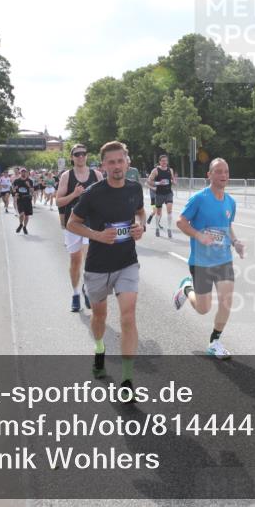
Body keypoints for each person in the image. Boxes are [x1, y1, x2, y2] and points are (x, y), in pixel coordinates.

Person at [66, 141, 145, 393]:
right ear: (103, 165)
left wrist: (140, 227)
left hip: (127, 263)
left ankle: (127, 379)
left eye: (120, 160)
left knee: (128, 316)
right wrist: (97, 236)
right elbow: (72, 223)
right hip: (98, 266)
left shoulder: (135, 188)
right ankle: (99, 348)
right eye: (111, 162)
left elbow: (141, 213)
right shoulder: (93, 193)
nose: (116, 166)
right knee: (100, 316)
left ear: (127, 162)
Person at [172, 158, 245, 359]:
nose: (223, 176)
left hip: (223, 259)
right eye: (218, 172)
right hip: (201, 261)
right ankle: (187, 289)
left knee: (226, 301)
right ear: (209, 175)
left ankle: (215, 341)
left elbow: (227, 226)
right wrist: (198, 235)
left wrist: (236, 242)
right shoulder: (199, 199)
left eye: (226, 172)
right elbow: (181, 221)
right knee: (203, 309)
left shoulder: (230, 201)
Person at [56, 145, 102, 311]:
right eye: (77, 154)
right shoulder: (66, 176)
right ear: (72, 157)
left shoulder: (96, 175)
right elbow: (58, 201)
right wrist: (74, 195)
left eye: (83, 154)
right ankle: (76, 293)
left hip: (92, 223)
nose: (81, 156)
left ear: (86, 156)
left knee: (89, 257)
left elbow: (106, 198)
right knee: (75, 260)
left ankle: (87, 289)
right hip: (73, 223)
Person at [146, 154, 176, 238]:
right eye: (162, 161)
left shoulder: (170, 170)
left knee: (169, 210)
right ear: (160, 162)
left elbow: (172, 179)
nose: (164, 162)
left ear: (167, 161)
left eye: (166, 161)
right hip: (159, 194)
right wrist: (159, 183)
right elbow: (149, 181)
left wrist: (174, 182)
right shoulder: (155, 170)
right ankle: (157, 228)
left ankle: (169, 229)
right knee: (158, 212)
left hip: (168, 193)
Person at [12, 168, 34, 234]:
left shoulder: (30, 181)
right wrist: (15, 193)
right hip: (20, 199)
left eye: (24, 172)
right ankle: (21, 224)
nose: (23, 173)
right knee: (21, 214)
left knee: (27, 215)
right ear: (20, 173)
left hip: (27, 199)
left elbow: (32, 191)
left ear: (26, 173)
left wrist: (29, 186)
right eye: (22, 172)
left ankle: (24, 227)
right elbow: (13, 190)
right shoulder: (16, 181)